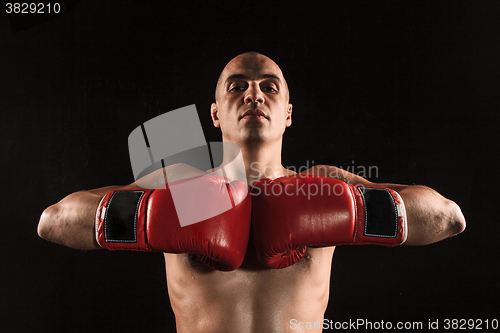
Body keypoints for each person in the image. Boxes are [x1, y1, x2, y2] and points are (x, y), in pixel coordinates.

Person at [38, 52, 466, 332]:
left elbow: (447, 218)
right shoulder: (180, 185)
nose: (253, 94)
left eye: (269, 86)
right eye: (237, 86)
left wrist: (347, 209)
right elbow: (53, 222)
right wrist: (153, 217)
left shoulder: (323, 183)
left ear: (288, 113)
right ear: (215, 114)